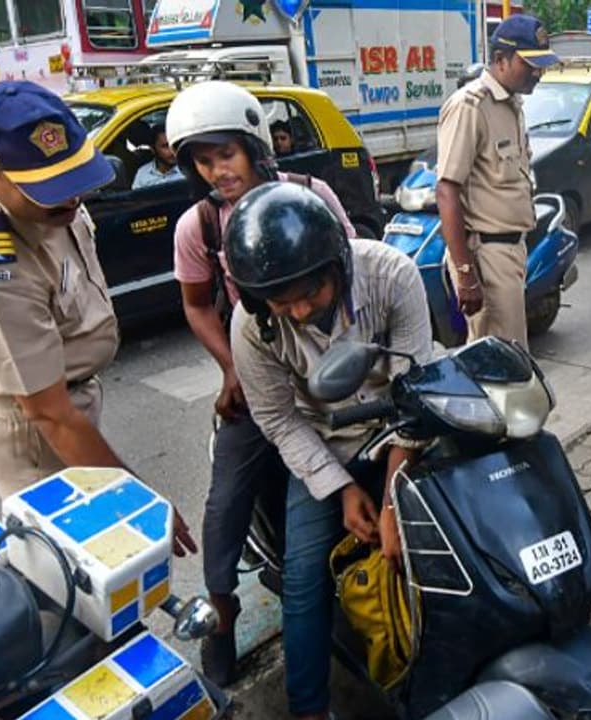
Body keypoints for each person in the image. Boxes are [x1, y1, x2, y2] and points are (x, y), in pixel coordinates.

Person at [0, 81, 196, 551]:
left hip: (64, 397)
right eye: (49, 191)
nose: (72, 200)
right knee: (68, 562)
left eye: (76, 178)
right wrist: (139, 504)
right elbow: (51, 415)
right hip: (34, 430)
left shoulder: (6, 145)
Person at [165, 80, 356, 686]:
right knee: (226, 500)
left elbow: (350, 273)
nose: (217, 171)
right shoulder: (199, 226)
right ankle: (221, 615)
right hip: (256, 373)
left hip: (330, 365)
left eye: (226, 154)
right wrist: (231, 367)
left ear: (254, 146)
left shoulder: (312, 196)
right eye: (203, 160)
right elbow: (197, 304)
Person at [227, 182, 433, 720]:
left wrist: (392, 504)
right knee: (304, 579)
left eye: (311, 293)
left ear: (337, 265)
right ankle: (309, 709)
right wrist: (341, 491)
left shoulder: (392, 276)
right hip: (325, 446)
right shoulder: (251, 327)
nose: (298, 311)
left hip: (402, 432)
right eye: (281, 301)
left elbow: (413, 391)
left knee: (453, 533)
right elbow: (278, 418)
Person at [436, 14, 558, 349]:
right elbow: (447, 190)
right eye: (530, 64)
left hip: (509, 251)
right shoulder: (470, 106)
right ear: (501, 59)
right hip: (485, 255)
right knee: (502, 362)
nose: (538, 73)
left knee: (509, 357)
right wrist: (465, 273)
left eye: (541, 65)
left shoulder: (512, 103)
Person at [131, 124, 183, 188]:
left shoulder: (187, 170)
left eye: (174, 145)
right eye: (165, 146)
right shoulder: (142, 174)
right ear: (153, 149)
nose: (172, 151)